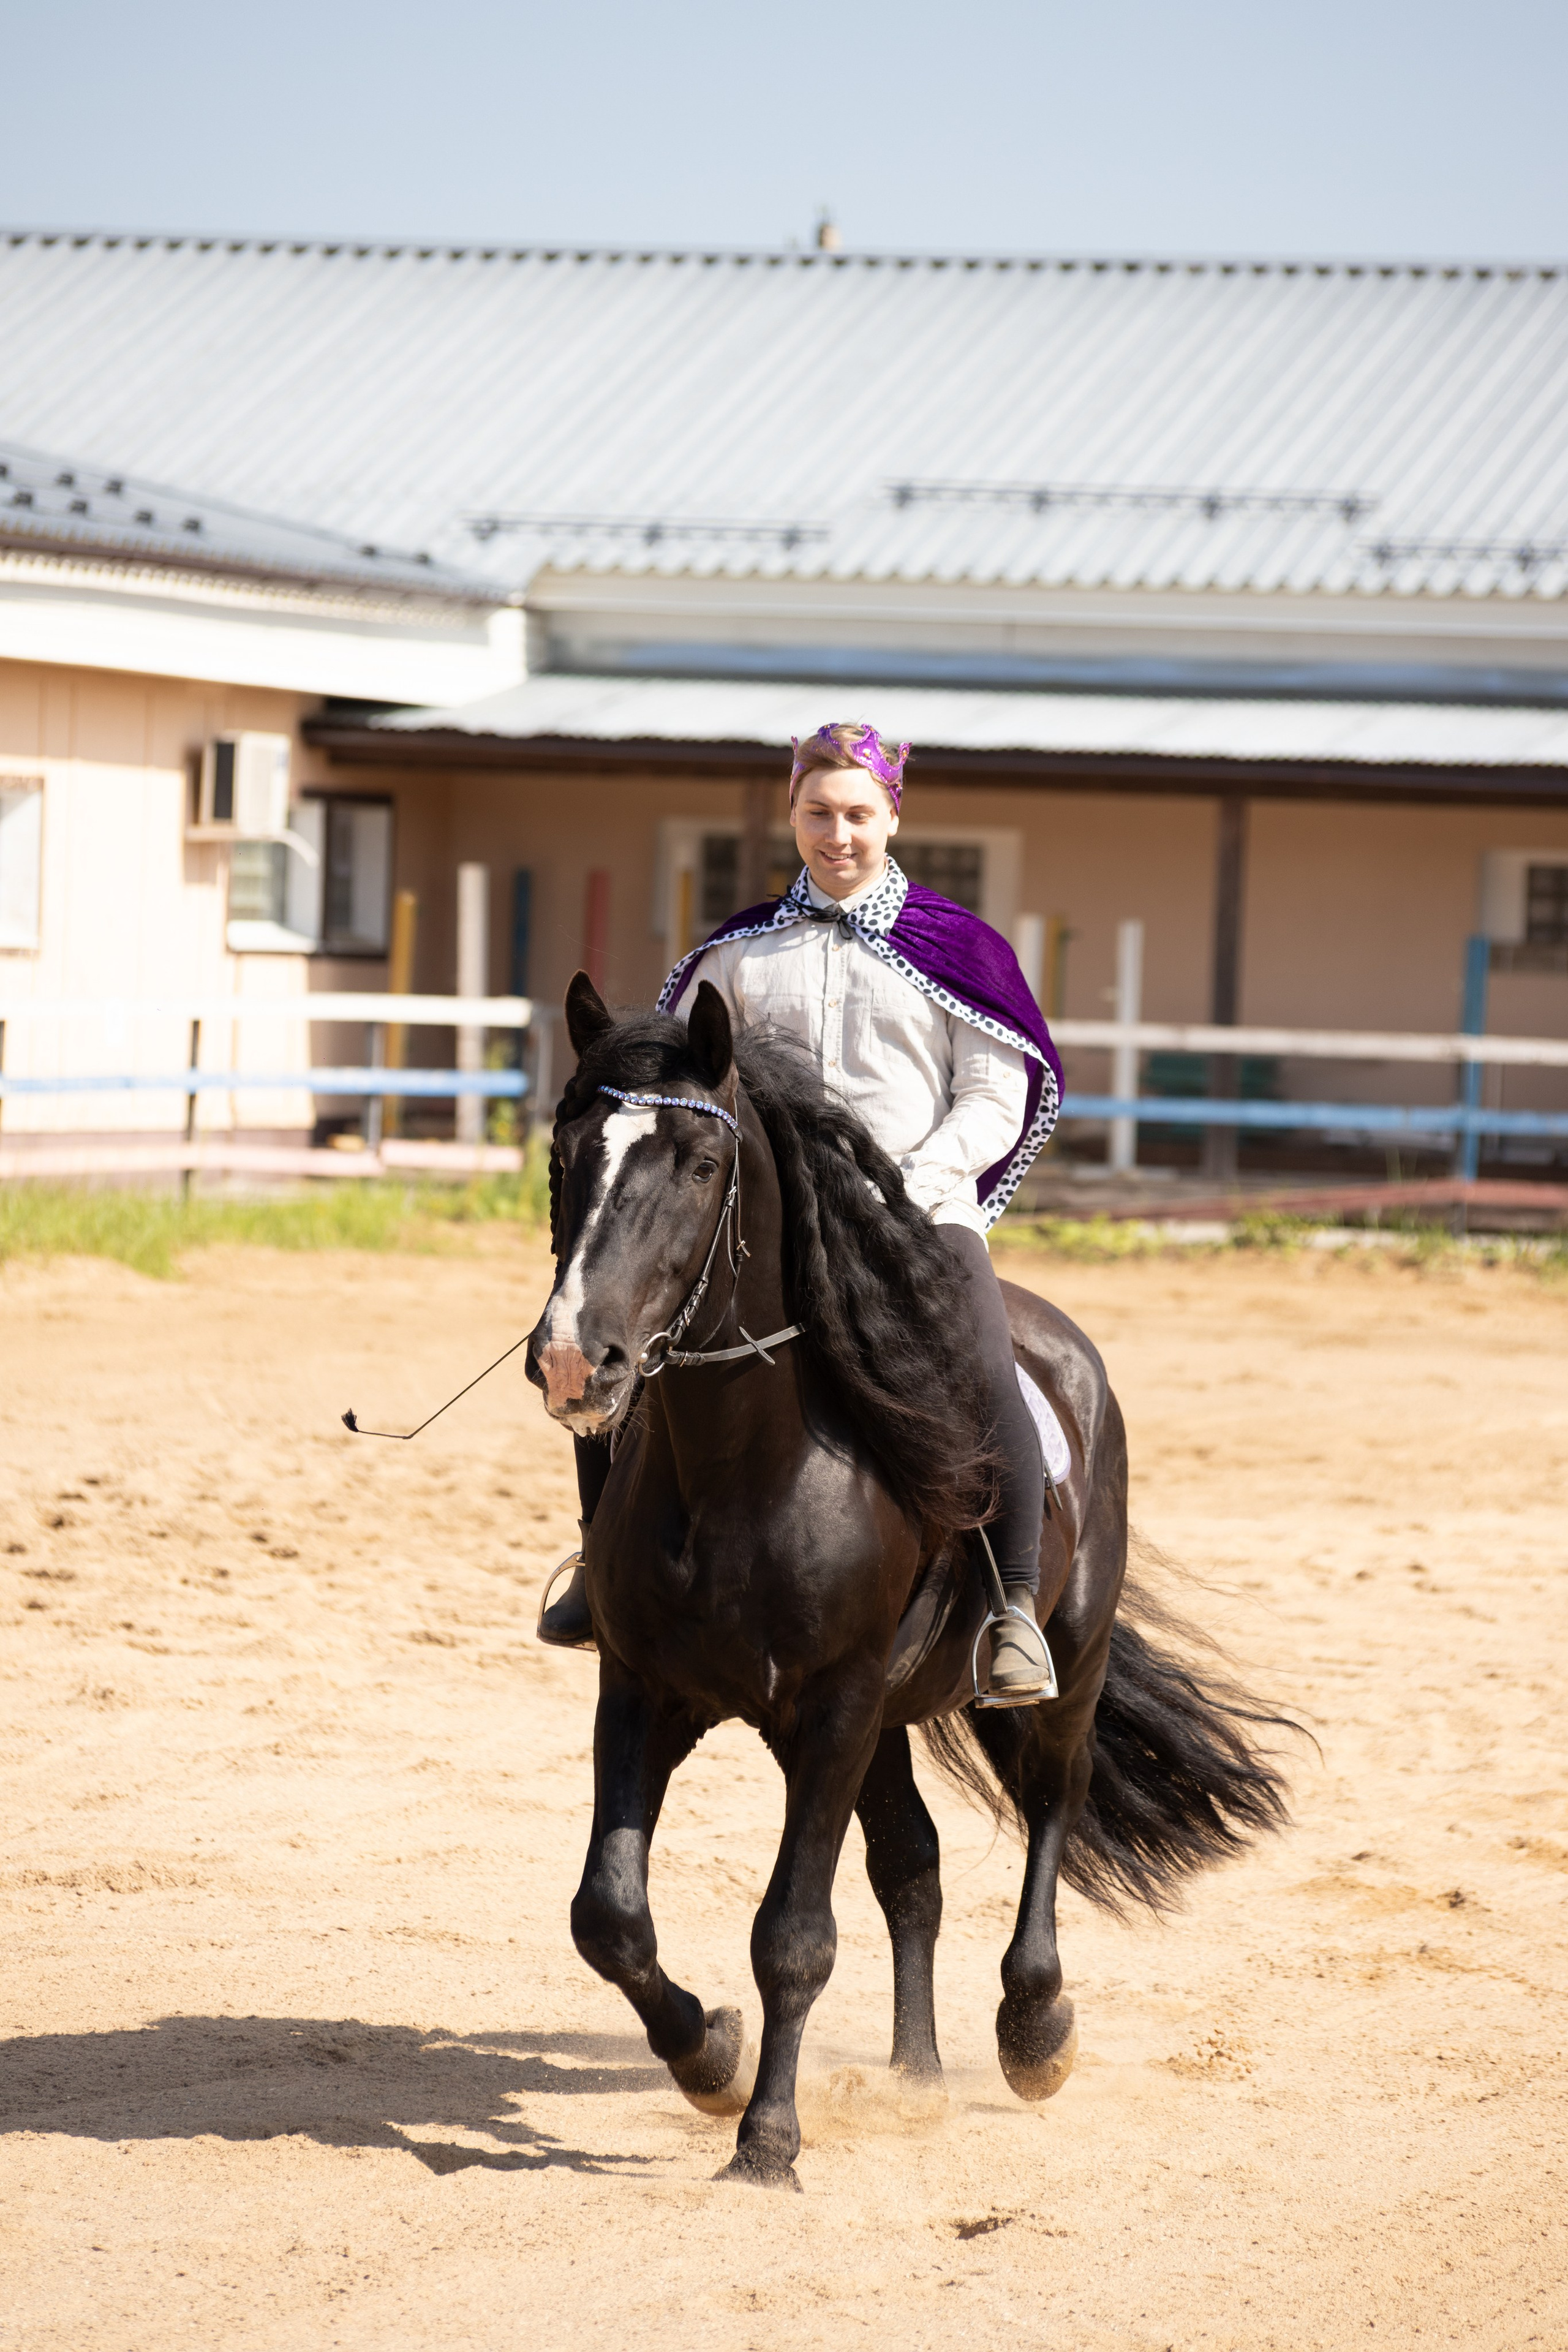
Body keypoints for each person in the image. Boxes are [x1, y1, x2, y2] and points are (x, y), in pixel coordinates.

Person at [538, 720, 1063, 1697]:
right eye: (818, 812)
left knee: (987, 1364)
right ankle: (595, 1571)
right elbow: (670, 1091)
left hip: (914, 1215)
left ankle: (1014, 1608)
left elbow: (995, 1098)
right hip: (764, 1227)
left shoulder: (964, 950)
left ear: (893, 817)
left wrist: (901, 1179)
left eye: (859, 813)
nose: (839, 833)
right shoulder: (735, 955)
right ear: (792, 814)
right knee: (621, 1336)